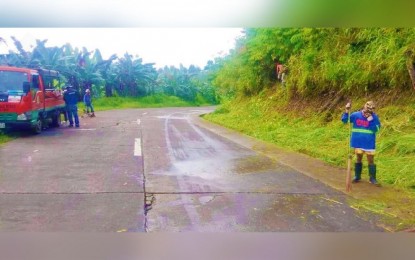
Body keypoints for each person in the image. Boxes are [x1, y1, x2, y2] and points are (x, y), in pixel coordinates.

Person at [341, 101, 381, 185]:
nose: (369, 111)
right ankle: (357, 176)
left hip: (369, 143)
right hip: (358, 142)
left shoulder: (374, 117)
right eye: (368, 109)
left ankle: (372, 178)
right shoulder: (356, 115)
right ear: (364, 107)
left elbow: (376, 129)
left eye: (371, 110)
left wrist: (371, 120)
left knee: (371, 160)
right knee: (358, 158)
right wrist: (347, 110)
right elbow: (345, 120)